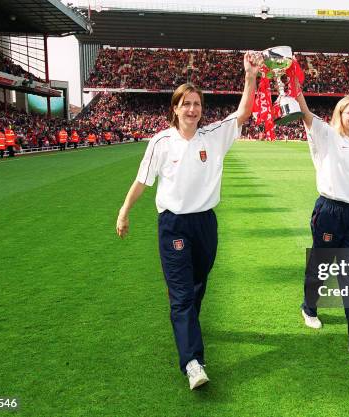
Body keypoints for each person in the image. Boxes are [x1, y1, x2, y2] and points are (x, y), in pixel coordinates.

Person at [115, 52, 262, 390]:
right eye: (186, 104)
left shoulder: (213, 136)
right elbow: (142, 181)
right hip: (174, 226)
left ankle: (187, 324)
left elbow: (243, 113)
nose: (192, 109)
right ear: (175, 108)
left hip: (205, 225)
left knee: (197, 285)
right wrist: (124, 212)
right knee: (181, 296)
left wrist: (250, 76)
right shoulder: (161, 142)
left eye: (196, 104)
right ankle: (193, 362)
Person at [295, 85, 349, 357]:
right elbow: (306, 112)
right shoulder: (325, 135)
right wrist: (294, 86)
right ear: (340, 114)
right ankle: (309, 307)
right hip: (329, 212)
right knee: (320, 269)